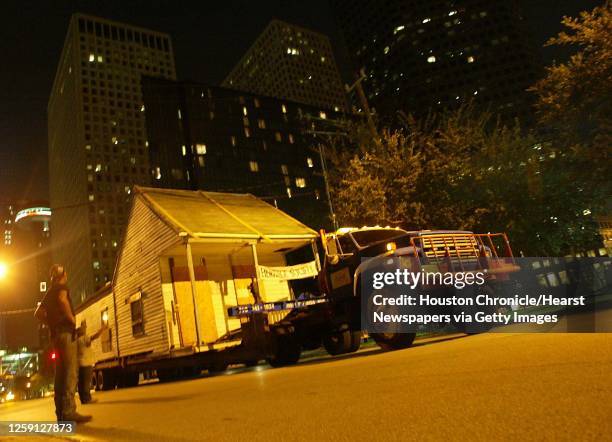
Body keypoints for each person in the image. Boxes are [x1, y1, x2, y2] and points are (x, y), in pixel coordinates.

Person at [34, 265, 92, 423]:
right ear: (63, 275)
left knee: (60, 374)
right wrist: (71, 319)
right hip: (66, 333)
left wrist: (51, 323)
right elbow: (62, 300)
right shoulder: (61, 287)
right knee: (70, 373)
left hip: (56, 336)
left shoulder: (49, 292)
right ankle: (68, 412)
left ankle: (60, 413)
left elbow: (38, 313)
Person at [76, 320, 107, 404]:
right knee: (86, 382)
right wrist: (102, 330)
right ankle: (87, 399)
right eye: (84, 328)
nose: (85, 329)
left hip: (79, 364)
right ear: (81, 330)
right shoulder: (84, 338)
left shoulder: (76, 341)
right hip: (86, 363)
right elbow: (93, 337)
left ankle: (83, 399)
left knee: (81, 383)